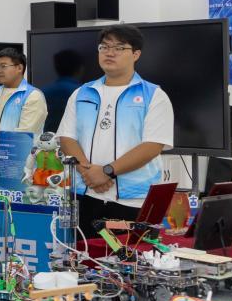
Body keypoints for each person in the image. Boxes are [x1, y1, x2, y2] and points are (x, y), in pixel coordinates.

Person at [57, 24, 174, 239]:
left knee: (130, 258)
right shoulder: (82, 93)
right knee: (83, 256)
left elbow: (152, 146)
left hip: (133, 200)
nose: (109, 53)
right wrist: (88, 172)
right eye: (104, 47)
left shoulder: (154, 95)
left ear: (136, 54)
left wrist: (107, 171)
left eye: (119, 48)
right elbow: (67, 138)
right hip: (85, 195)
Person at [0, 48, 48, 154]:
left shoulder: (33, 96)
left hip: (18, 161)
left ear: (19, 68)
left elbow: (23, 136)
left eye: (3, 66)